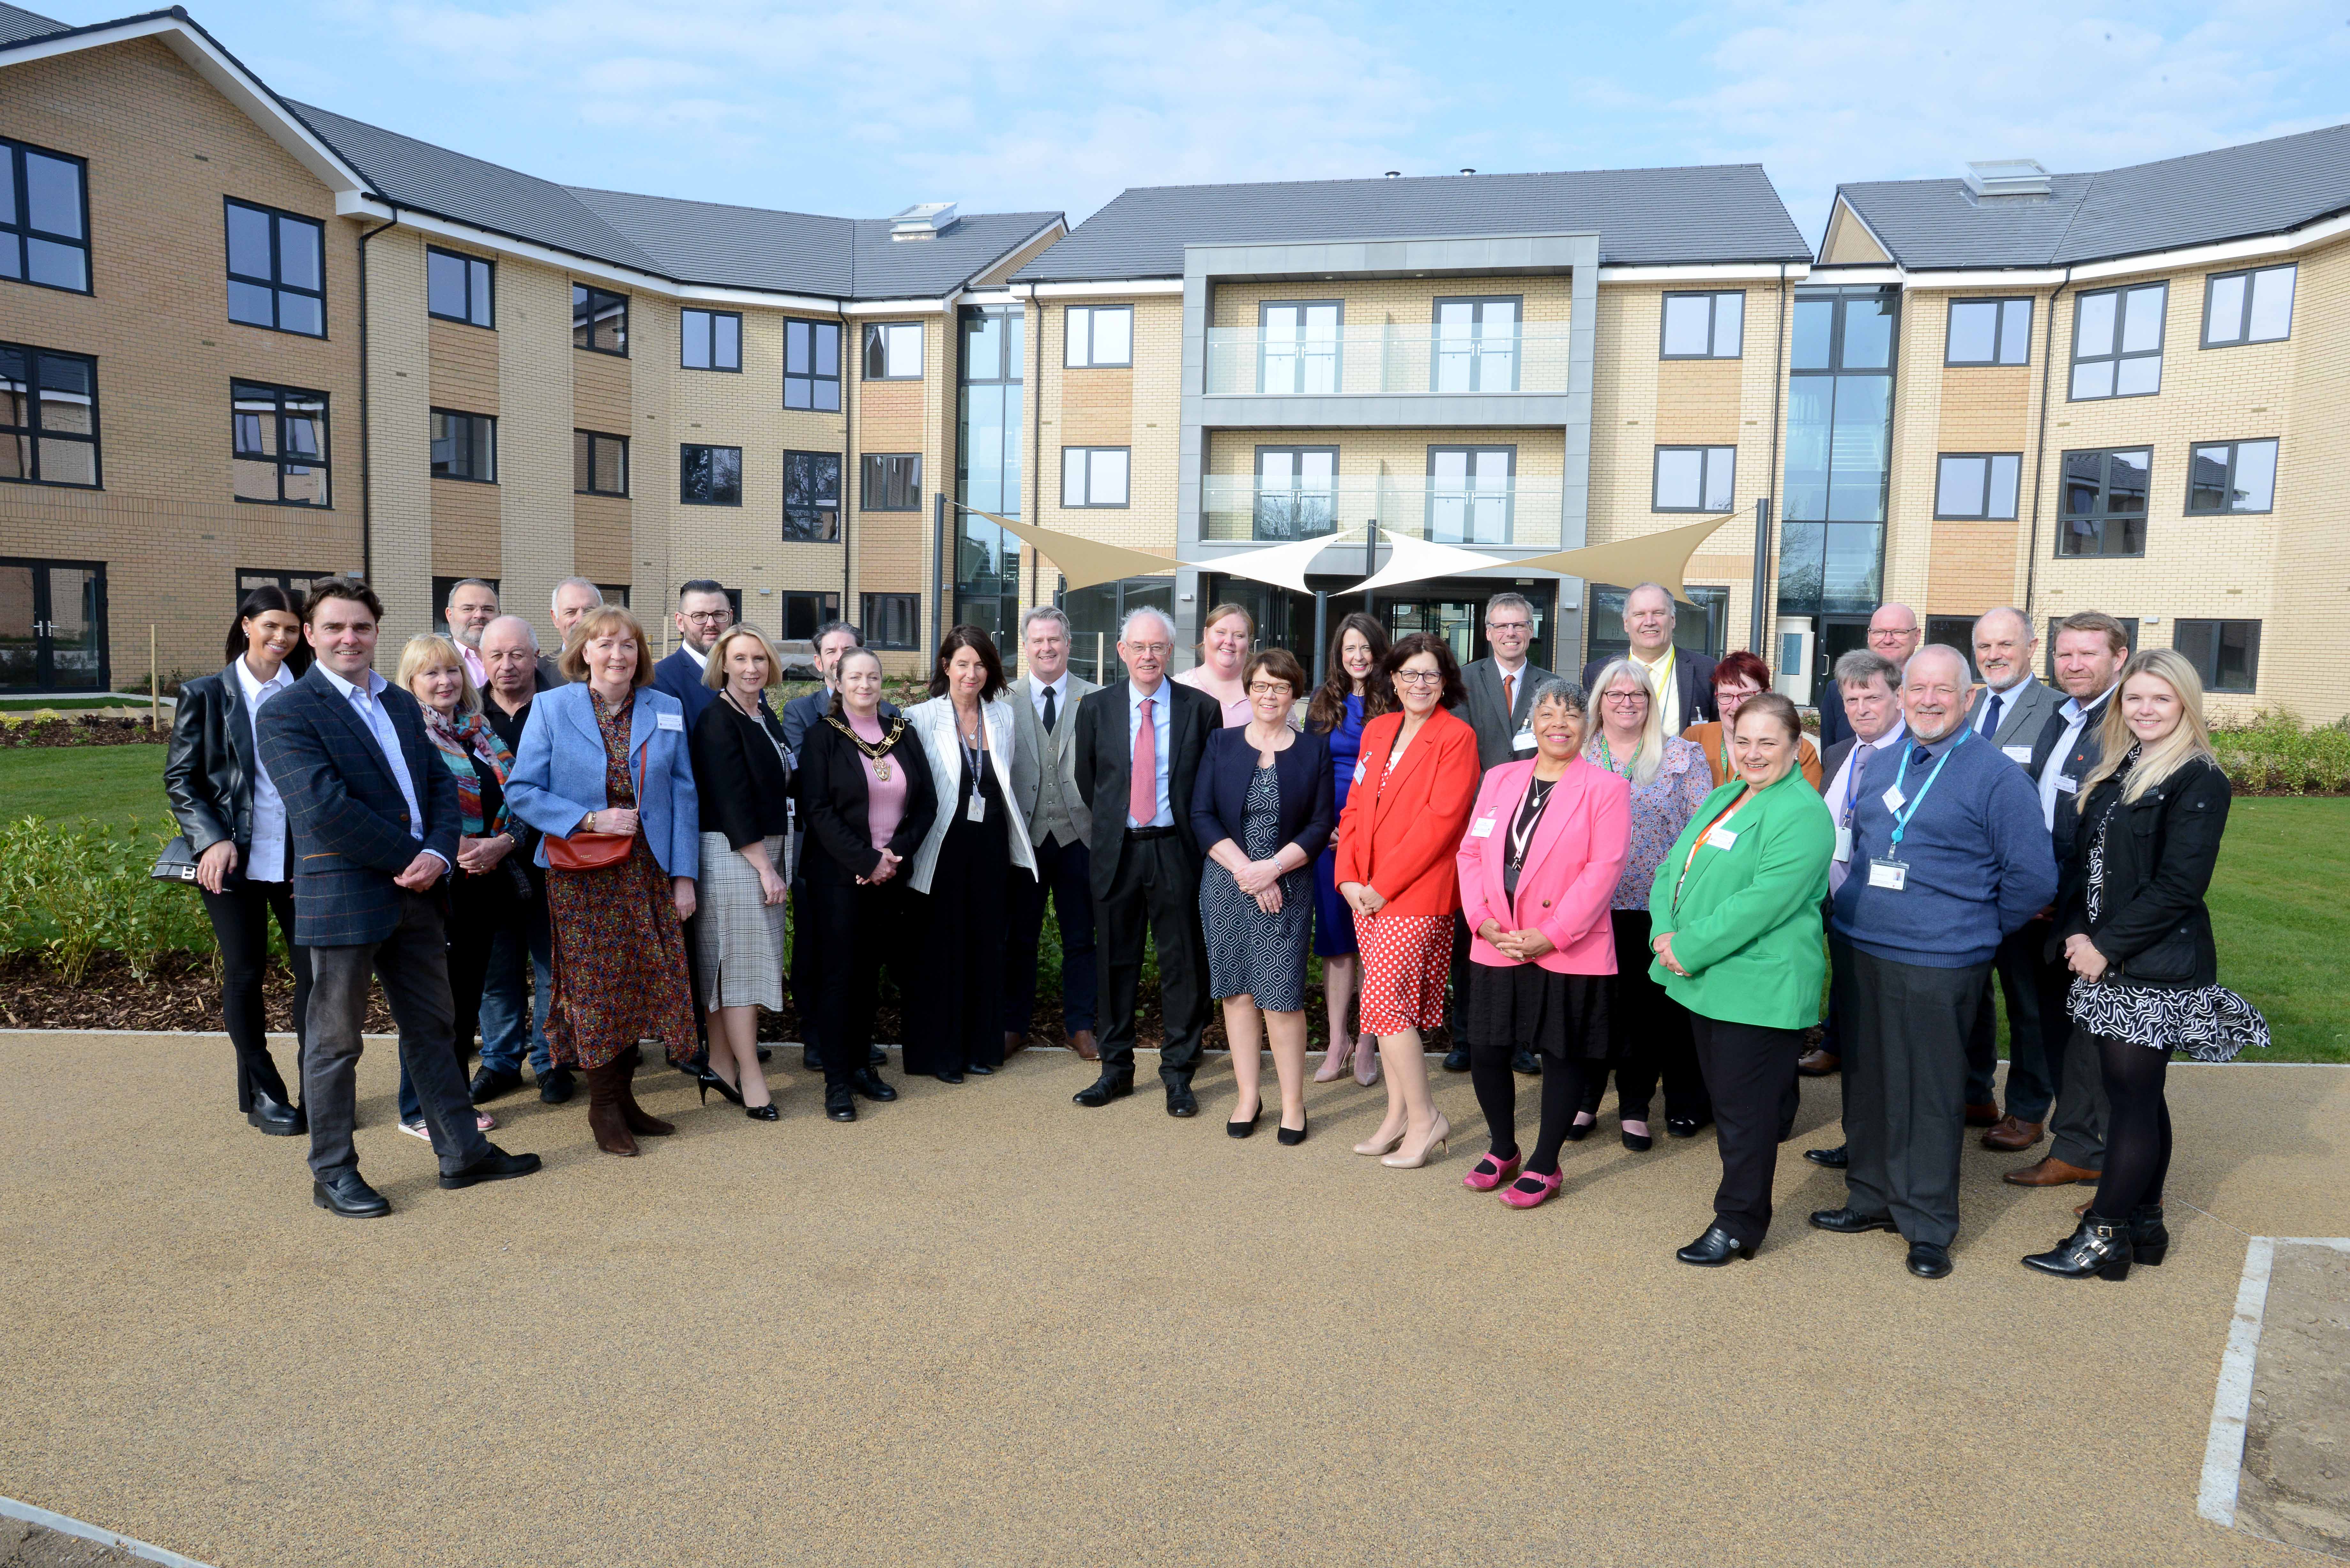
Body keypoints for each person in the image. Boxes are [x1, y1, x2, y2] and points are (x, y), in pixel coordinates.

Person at [253, 577, 539, 1217]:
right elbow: (323, 809)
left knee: (436, 1030)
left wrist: (438, 854)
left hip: (420, 893)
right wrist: (412, 857)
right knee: (334, 1043)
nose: (349, 638)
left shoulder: (404, 705)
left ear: (376, 630)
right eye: (334, 628)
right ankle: (333, 1172)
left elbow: (441, 787)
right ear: (311, 634)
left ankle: (462, 1152)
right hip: (347, 896)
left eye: (360, 626)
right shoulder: (288, 711)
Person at [1811, 645, 2056, 1279]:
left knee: (1928, 1092)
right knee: (1867, 1082)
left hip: (1939, 961)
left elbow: (2031, 878)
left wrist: (1972, 929)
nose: (1925, 699)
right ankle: (1868, 1196)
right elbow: (1866, 845)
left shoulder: (1996, 776)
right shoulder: (1884, 761)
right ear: (1900, 695)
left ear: (1966, 698)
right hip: (1863, 948)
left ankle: (1925, 1222)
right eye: (1915, 688)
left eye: (1940, 689)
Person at [2022, 649, 2269, 1279]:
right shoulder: (2123, 763)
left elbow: (2177, 886)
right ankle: (2144, 1220)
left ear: (2184, 703)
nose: (2144, 709)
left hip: (2151, 968)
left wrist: (2104, 945)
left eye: (2159, 698)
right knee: (2135, 1094)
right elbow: (2093, 869)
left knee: (2129, 1101)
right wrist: (2080, 931)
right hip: (2113, 964)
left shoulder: (2196, 776)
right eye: (2134, 698)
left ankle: (2103, 1232)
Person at [505, 604, 701, 1157]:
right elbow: (521, 791)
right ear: (584, 651)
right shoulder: (551, 707)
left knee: (641, 983)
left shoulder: (665, 707)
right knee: (596, 989)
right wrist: (589, 818)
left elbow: (684, 795)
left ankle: (627, 1098)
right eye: (606, 644)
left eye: (629, 645)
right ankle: (604, 1106)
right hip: (582, 873)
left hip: (646, 870)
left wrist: (684, 876)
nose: (618, 654)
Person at [1649, 692, 1835, 1264]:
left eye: (1768, 742)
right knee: (1730, 1104)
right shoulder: (1728, 794)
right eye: (1743, 741)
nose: (1753, 754)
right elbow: (1670, 866)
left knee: (1745, 1115)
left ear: (1796, 746)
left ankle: (1739, 1223)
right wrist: (1663, 931)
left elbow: (1763, 904)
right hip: (1709, 979)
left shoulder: (1802, 813)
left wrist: (1689, 946)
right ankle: (1738, 1211)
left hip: (1757, 987)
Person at [1456, 679, 1628, 1206]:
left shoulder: (1606, 788)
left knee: (1561, 1052)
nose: (1560, 724)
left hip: (1566, 944)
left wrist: (1550, 935)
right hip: (1498, 937)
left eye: (1572, 715)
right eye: (1549, 713)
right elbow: (1471, 852)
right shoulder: (1500, 778)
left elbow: (1605, 870)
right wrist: (1481, 919)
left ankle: (1545, 1163)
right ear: (1532, 721)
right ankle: (1503, 1147)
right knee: (1486, 1047)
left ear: (1588, 726)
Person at [164, 583, 314, 1136]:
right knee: (245, 973)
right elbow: (182, 777)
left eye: (292, 629)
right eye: (271, 625)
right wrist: (211, 839)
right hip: (230, 860)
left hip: (302, 861)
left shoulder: (314, 692)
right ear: (247, 625)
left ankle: (315, 1089)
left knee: (314, 978)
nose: (281, 636)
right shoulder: (206, 694)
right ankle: (264, 1091)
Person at [1334, 632, 1482, 1169]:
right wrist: (1349, 877)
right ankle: (1397, 1117)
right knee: (1383, 1008)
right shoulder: (1377, 730)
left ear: (1446, 682)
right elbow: (1353, 808)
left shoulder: (1456, 737)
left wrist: (1380, 886)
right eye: (1409, 673)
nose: (1420, 684)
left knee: (1389, 1008)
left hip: (1415, 893)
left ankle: (1425, 1119)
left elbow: (1440, 824)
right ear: (1391, 677)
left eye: (1431, 675)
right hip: (1365, 892)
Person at [1071, 607, 1220, 1116]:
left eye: (1158, 647)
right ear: (1122, 652)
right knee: (1115, 963)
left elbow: (1207, 786)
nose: (1149, 656)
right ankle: (1116, 1071)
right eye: (1139, 647)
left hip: (1177, 851)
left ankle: (1179, 1072)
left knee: (1182, 964)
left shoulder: (1201, 709)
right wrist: (1120, 824)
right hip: (1118, 852)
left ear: (1169, 652)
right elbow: (1090, 780)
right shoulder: (1096, 708)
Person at [2006, 612, 2133, 1190]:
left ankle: (2090, 1151)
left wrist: (2060, 896)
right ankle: (2080, 1142)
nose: (2074, 664)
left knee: (2089, 1041)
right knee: (2057, 1027)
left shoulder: (2124, 723)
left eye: (2087, 654)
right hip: (2047, 898)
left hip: (2087, 911)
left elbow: (2103, 831)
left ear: (2120, 657)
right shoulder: (2063, 714)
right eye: (2065, 654)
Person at [1193, 649, 1334, 1144]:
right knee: (1237, 993)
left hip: (1287, 887)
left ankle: (1293, 1105)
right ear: (1247, 691)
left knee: (1281, 998)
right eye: (1260, 686)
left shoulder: (1314, 750)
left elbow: (1321, 825)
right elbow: (1202, 816)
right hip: (1228, 885)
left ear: (1295, 692)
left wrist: (1271, 869)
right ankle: (1248, 1095)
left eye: (1279, 686)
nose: (1269, 695)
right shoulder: (1221, 742)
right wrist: (1247, 871)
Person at [1578, 658, 1713, 1147]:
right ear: (1599, 703)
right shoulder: (1578, 754)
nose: (1626, 703)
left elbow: (1701, 834)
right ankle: (1585, 1100)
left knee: (1644, 1010)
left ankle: (1635, 1106)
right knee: (1593, 1006)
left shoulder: (1682, 757)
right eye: (1615, 695)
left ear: (1651, 703)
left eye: (1637, 695)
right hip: (1587, 908)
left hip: (1652, 908)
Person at [794, 646, 927, 1120]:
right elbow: (818, 810)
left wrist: (894, 857)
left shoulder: (901, 735)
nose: (866, 685)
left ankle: (860, 1067)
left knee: (869, 977)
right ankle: (836, 1082)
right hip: (839, 879)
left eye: (874, 677)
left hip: (888, 877)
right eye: (856, 677)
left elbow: (925, 803)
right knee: (839, 979)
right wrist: (866, 859)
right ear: (839, 681)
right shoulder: (822, 738)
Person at [393, 634, 515, 1143]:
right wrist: (459, 845)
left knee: (464, 996)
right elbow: (411, 807)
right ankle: (417, 1107)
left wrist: (499, 845)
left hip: (486, 880)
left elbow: (517, 790)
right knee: (430, 1001)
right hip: (438, 882)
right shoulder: (407, 733)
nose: (444, 682)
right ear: (411, 683)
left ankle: (452, 1095)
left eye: (451, 672)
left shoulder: (480, 731)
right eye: (430, 674)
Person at [904, 625, 1038, 1083]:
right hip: (940, 848)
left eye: (980, 664)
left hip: (990, 847)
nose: (972, 673)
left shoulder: (1002, 716)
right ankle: (941, 1054)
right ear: (946, 666)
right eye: (963, 663)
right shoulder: (920, 717)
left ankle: (981, 1048)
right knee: (942, 949)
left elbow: (1002, 780)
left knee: (986, 947)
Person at [1964, 607, 2068, 1153]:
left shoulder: (2057, 712)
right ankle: (1976, 1092)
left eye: (2006, 644)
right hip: (1966, 888)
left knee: (2028, 1004)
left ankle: (2028, 1110)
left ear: (2031, 647)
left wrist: (2046, 885)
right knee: (1971, 996)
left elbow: (2066, 805)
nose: (1994, 655)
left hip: (2024, 895)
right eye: (1984, 646)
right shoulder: (1967, 704)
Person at [781, 620, 898, 1076]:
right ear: (820, 663)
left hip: (879, 860)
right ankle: (816, 1037)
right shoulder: (801, 712)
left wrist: (880, 857)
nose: (840, 658)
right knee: (817, 952)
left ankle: (857, 1041)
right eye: (831, 651)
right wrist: (859, 856)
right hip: (825, 856)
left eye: (849, 649)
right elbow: (811, 787)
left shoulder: (889, 715)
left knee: (865, 957)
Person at [1448, 591, 1558, 1076]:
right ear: (1488, 632)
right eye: (1502, 626)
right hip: (1477, 825)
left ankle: (1520, 1042)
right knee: (1472, 933)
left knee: (1523, 932)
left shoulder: (1552, 686)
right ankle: (1466, 1037)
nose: (1511, 633)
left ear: (1531, 632)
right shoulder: (1464, 682)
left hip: (1536, 830)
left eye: (1520, 626)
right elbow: (1456, 753)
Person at [1796, 650, 1906, 1130]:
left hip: (1889, 918)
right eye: (1852, 698)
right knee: (1857, 1027)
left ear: (1898, 698)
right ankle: (1858, 1135)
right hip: (1836, 907)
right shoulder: (1839, 754)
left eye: (1873, 697)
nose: (1862, 708)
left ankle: (1876, 1141)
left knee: (1885, 1041)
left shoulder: (1914, 757)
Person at [689, 624, 795, 1121]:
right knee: (742, 971)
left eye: (759, 659)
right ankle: (751, 1075)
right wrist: (767, 871)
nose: (752, 668)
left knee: (725, 968)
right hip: (737, 855)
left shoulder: (761, 713)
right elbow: (731, 803)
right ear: (723, 665)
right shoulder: (718, 720)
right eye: (741, 659)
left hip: (760, 852)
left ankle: (720, 1064)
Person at [469, 614, 569, 1105]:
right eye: (496, 656)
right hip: (485, 871)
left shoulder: (559, 710)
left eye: (517, 655)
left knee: (552, 968)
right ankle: (501, 1062)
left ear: (535, 657)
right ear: (482, 661)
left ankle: (551, 1062)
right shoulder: (469, 717)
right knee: (496, 971)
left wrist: (510, 840)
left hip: (548, 863)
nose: (507, 666)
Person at [1006, 606, 1101, 1061]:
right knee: (1018, 936)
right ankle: (1013, 1025)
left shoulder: (1097, 697)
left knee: (1082, 937)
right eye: (1038, 640)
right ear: (1025, 646)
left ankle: (1081, 1026)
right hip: (1022, 837)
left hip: (1078, 837)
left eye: (1055, 640)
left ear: (1069, 644)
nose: (1047, 648)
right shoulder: (1002, 698)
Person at [1305, 613, 1391, 1087]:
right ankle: (1337, 1040)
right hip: (1331, 840)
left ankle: (1369, 1042)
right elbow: (1310, 768)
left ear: (1379, 651)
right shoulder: (1324, 702)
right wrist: (1324, 827)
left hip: (1380, 838)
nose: (1357, 657)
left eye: (1365, 648)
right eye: (1348, 649)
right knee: (1337, 942)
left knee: (1374, 942)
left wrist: (1366, 831)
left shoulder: (1397, 699)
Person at [1579, 583, 1717, 736]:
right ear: (1626, 623)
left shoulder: (1707, 671)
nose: (1650, 621)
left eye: (1658, 613)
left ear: (1673, 620)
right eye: (1640, 614)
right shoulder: (1596, 673)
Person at [1679, 650, 1823, 790]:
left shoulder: (1797, 749)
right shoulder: (1695, 739)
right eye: (1726, 696)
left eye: (1746, 695)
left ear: (1767, 694)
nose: (1735, 707)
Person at [1815, 602, 1921, 749]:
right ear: (1869, 636)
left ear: (1917, 637)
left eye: (1898, 632)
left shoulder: (1931, 693)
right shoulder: (1836, 691)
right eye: (1879, 632)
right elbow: (1831, 760)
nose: (1888, 640)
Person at [652, 578, 732, 730]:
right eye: (699, 616)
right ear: (680, 622)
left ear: (731, 617)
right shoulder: (661, 680)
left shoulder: (745, 672)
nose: (711, 624)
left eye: (719, 614)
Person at [1174, 602, 1255, 726]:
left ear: (1248, 642)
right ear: (1206, 635)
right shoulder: (1178, 688)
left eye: (1239, 636)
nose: (1229, 641)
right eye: (1221, 633)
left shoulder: (1265, 689)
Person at [538, 577, 603, 687]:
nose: (581, 620)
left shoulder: (621, 665)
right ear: (555, 619)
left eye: (589, 611)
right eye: (571, 612)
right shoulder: (539, 672)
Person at [442, 577, 499, 690]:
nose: (479, 615)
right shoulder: (434, 662)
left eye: (488, 609)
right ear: (450, 615)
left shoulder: (518, 659)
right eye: (468, 609)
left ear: (499, 615)